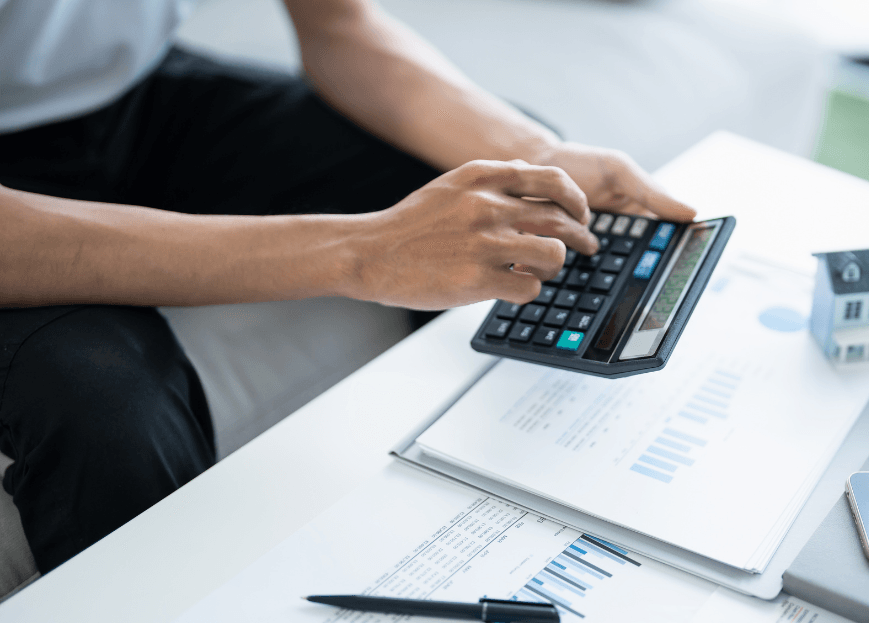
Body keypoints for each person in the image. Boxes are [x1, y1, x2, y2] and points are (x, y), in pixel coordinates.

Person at [0, 0, 695, 574]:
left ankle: (529, 504)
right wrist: (361, 251)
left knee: (507, 201)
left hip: (136, 91)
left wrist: (539, 154)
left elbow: (340, 24)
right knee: (107, 407)